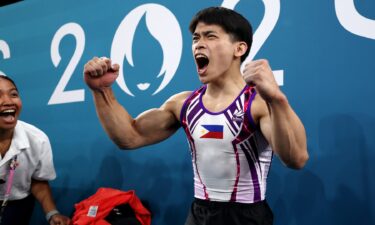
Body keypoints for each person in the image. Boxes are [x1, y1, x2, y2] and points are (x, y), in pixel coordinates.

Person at [83, 6, 308, 225]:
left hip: (246, 217)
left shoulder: (257, 103)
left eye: (210, 36)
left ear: (239, 49)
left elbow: (296, 158)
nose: (199, 44)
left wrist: (276, 99)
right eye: (196, 38)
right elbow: (129, 137)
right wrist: (102, 91)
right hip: (199, 214)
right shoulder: (184, 104)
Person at [0, 75, 70, 225]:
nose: (8, 101)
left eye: (13, 94)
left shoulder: (37, 139)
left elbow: (38, 181)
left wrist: (52, 213)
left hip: (17, 207)